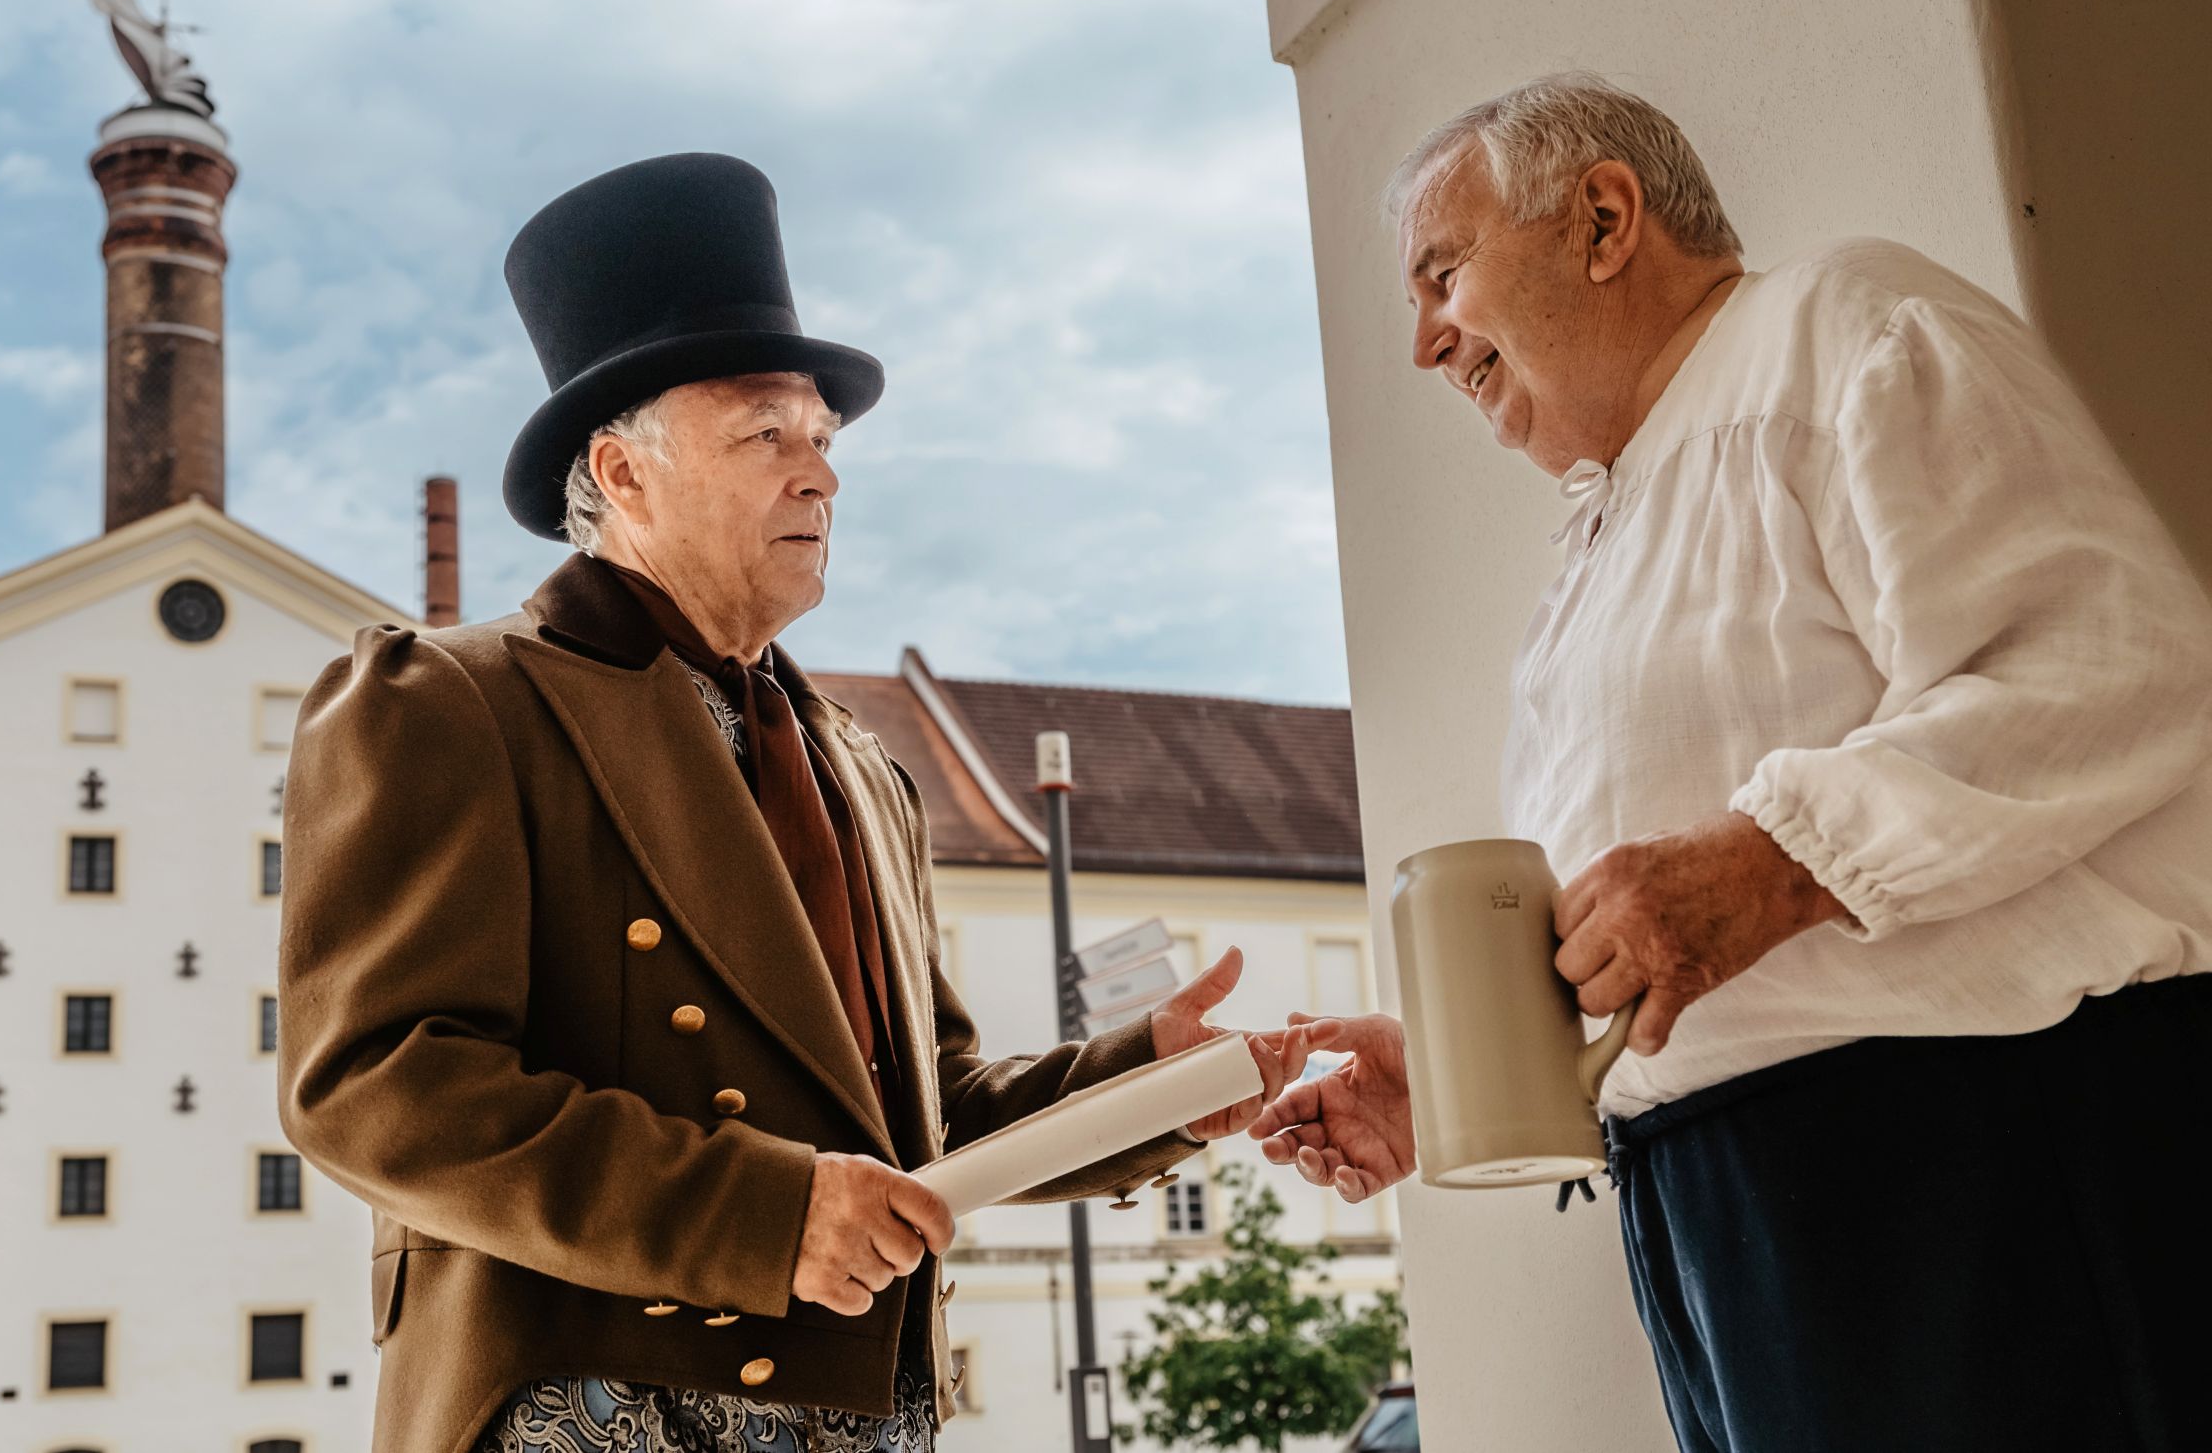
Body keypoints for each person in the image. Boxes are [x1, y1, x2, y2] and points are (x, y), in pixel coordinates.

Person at [277, 153, 1335, 1453]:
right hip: (594, 1415)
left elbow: (926, 1115)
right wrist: (764, 1216)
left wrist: (1143, 1086)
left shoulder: (860, 766)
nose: (820, 475)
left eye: (823, 441)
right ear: (621, 472)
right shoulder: (451, 701)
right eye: (764, 434)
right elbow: (380, 1082)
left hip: (869, 1415)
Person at [1250, 75, 2212, 1451]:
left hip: (1973, 1176)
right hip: (1737, 1216)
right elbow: (1684, 934)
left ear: (1603, 219)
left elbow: (2109, 668)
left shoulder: (1846, 329)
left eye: (1442, 275)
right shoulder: (1611, 523)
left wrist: (1776, 865)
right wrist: (1469, 1075)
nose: (1422, 344)